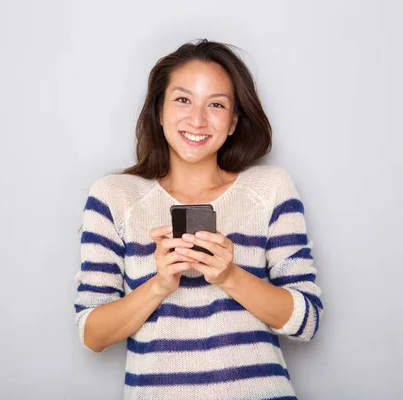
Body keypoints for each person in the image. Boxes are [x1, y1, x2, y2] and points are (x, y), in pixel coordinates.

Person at [74, 39, 323, 400]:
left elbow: (308, 322)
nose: (198, 119)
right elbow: (92, 334)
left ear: (234, 121)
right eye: (183, 99)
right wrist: (160, 284)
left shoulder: (270, 188)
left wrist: (229, 275)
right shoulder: (114, 196)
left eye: (217, 105)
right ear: (159, 110)